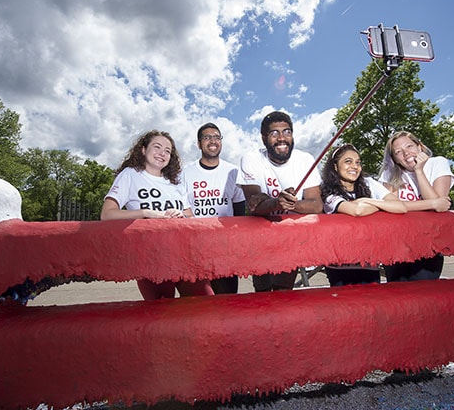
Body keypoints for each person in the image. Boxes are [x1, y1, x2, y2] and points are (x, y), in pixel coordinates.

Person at [101, 130, 213, 299]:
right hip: (150, 257)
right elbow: (106, 214)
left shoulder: (176, 181)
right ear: (143, 150)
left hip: (185, 256)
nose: (162, 153)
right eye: (157, 147)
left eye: (168, 151)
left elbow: (191, 220)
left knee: (204, 304)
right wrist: (145, 213)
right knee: (162, 315)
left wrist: (181, 216)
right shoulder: (131, 175)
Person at [237, 111, 323, 292]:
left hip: (291, 239)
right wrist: (277, 202)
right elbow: (254, 205)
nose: (282, 138)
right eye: (274, 133)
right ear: (263, 138)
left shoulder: (305, 159)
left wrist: (292, 204)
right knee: (263, 291)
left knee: (283, 291)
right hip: (260, 240)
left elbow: (316, 205)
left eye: (287, 132)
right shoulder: (251, 158)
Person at [320, 143, 407, 286]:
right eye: (348, 161)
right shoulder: (328, 192)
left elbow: (400, 206)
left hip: (369, 262)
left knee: (371, 305)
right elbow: (357, 211)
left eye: (358, 162)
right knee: (344, 306)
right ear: (335, 166)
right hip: (340, 265)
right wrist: (382, 206)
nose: (355, 166)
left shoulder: (369, 183)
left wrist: (367, 200)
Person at [378, 130, 454, 282]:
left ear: (420, 147)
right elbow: (388, 205)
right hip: (396, 242)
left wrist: (419, 170)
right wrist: (432, 203)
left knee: (424, 292)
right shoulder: (390, 173)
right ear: (395, 159)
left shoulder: (437, 163)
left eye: (409, 146)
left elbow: (438, 207)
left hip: (428, 242)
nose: (406, 153)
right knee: (397, 295)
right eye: (398, 152)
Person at [182, 122, 246, 294]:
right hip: (195, 247)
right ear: (199, 143)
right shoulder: (185, 173)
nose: (213, 141)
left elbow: (240, 211)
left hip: (224, 248)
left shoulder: (233, 172)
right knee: (197, 302)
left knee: (227, 299)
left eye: (217, 137)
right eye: (207, 137)